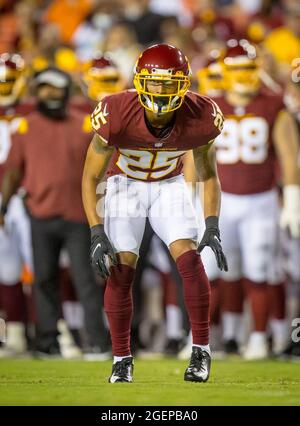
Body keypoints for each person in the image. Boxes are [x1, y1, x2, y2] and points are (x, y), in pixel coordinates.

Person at [82, 43, 228, 383]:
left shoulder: (201, 114)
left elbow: (208, 175)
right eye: (154, 82)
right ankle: (121, 358)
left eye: (169, 82)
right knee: (121, 269)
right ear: (139, 81)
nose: (161, 90)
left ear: (184, 83)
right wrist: (95, 230)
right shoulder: (116, 111)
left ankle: (201, 352)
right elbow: (91, 176)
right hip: (124, 185)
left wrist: (212, 223)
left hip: (169, 184)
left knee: (190, 261)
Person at [1, 67, 109, 358]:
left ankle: (97, 342)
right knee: (44, 279)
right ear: (37, 91)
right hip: (40, 213)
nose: (51, 93)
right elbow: (13, 171)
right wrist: (4, 204)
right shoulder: (25, 126)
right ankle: (48, 341)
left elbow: (101, 171)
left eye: (56, 88)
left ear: (65, 91)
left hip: (79, 215)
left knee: (85, 280)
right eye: (45, 88)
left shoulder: (85, 125)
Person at [202, 39, 300, 359]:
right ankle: (223, 336)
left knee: (259, 268)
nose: (244, 76)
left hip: (261, 199)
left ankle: (259, 338)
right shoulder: (211, 105)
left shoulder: (273, 104)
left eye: (249, 69)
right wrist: (191, 194)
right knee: (220, 269)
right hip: (223, 199)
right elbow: (198, 156)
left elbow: (289, 156)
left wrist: (293, 196)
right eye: (238, 69)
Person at [0, 52, 34, 356]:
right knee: (7, 270)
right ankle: (16, 334)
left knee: (40, 267)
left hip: (26, 196)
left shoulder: (33, 110)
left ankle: (51, 331)